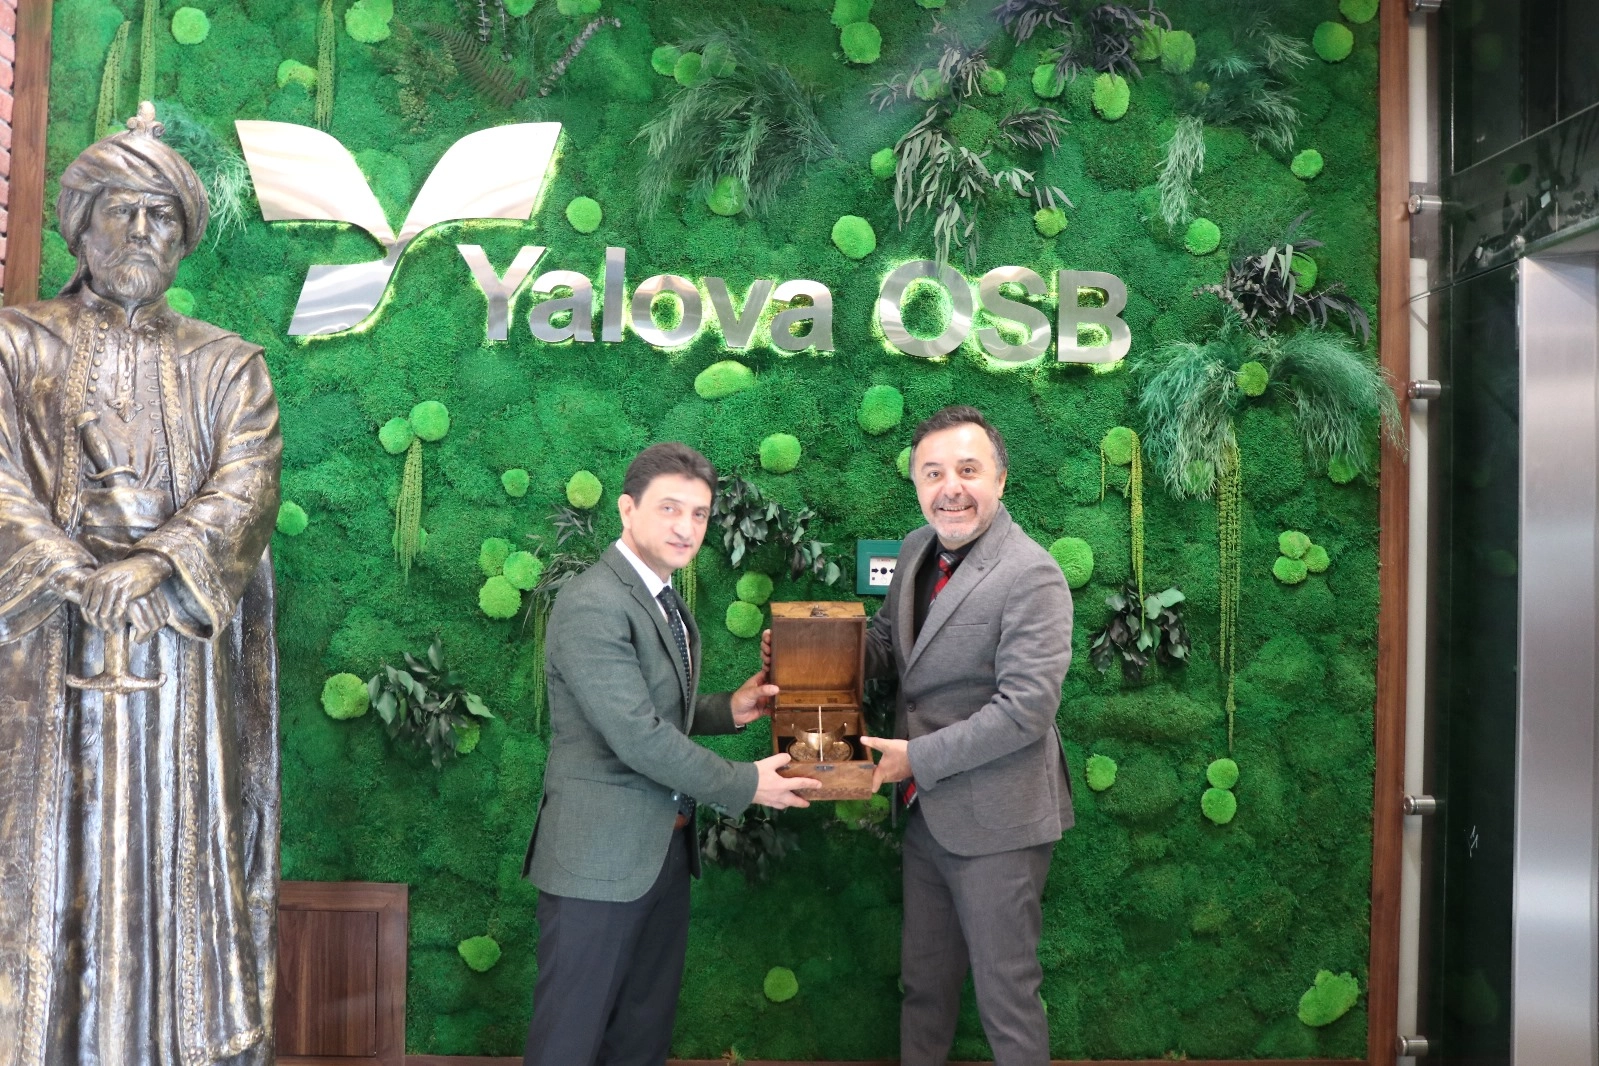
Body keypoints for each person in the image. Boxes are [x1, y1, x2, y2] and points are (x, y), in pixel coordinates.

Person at [0, 103, 282, 1065]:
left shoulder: (227, 364)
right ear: (80, 227)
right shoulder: (16, 345)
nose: (141, 231)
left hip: (175, 665)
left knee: (173, 845)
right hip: (42, 656)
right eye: (120, 210)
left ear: (183, 237)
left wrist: (155, 564)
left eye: (162, 215)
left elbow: (247, 485)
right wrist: (70, 572)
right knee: (44, 849)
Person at [521, 441, 819, 1066]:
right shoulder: (593, 601)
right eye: (670, 509)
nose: (687, 527)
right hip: (597, 862)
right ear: (627, 510)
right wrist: (747, 782)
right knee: (568, 1043)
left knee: (641, 1039)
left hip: (661, 856)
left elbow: (650, 709)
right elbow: (635, 735)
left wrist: (728, 709)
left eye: (700, 514)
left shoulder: (663, 597)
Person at [860, 405, 1074, 1066]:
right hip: (926, 817)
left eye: (967, 470)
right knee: (923, 987)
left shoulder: (1032, 574)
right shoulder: (914, 549)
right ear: (916, 485)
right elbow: (888, 648)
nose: (949, 488)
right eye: (932, 473)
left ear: (1001, 479)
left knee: (1006, 998)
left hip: (998, 823)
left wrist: (916, 758)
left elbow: (1025, 710)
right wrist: (807, 652)